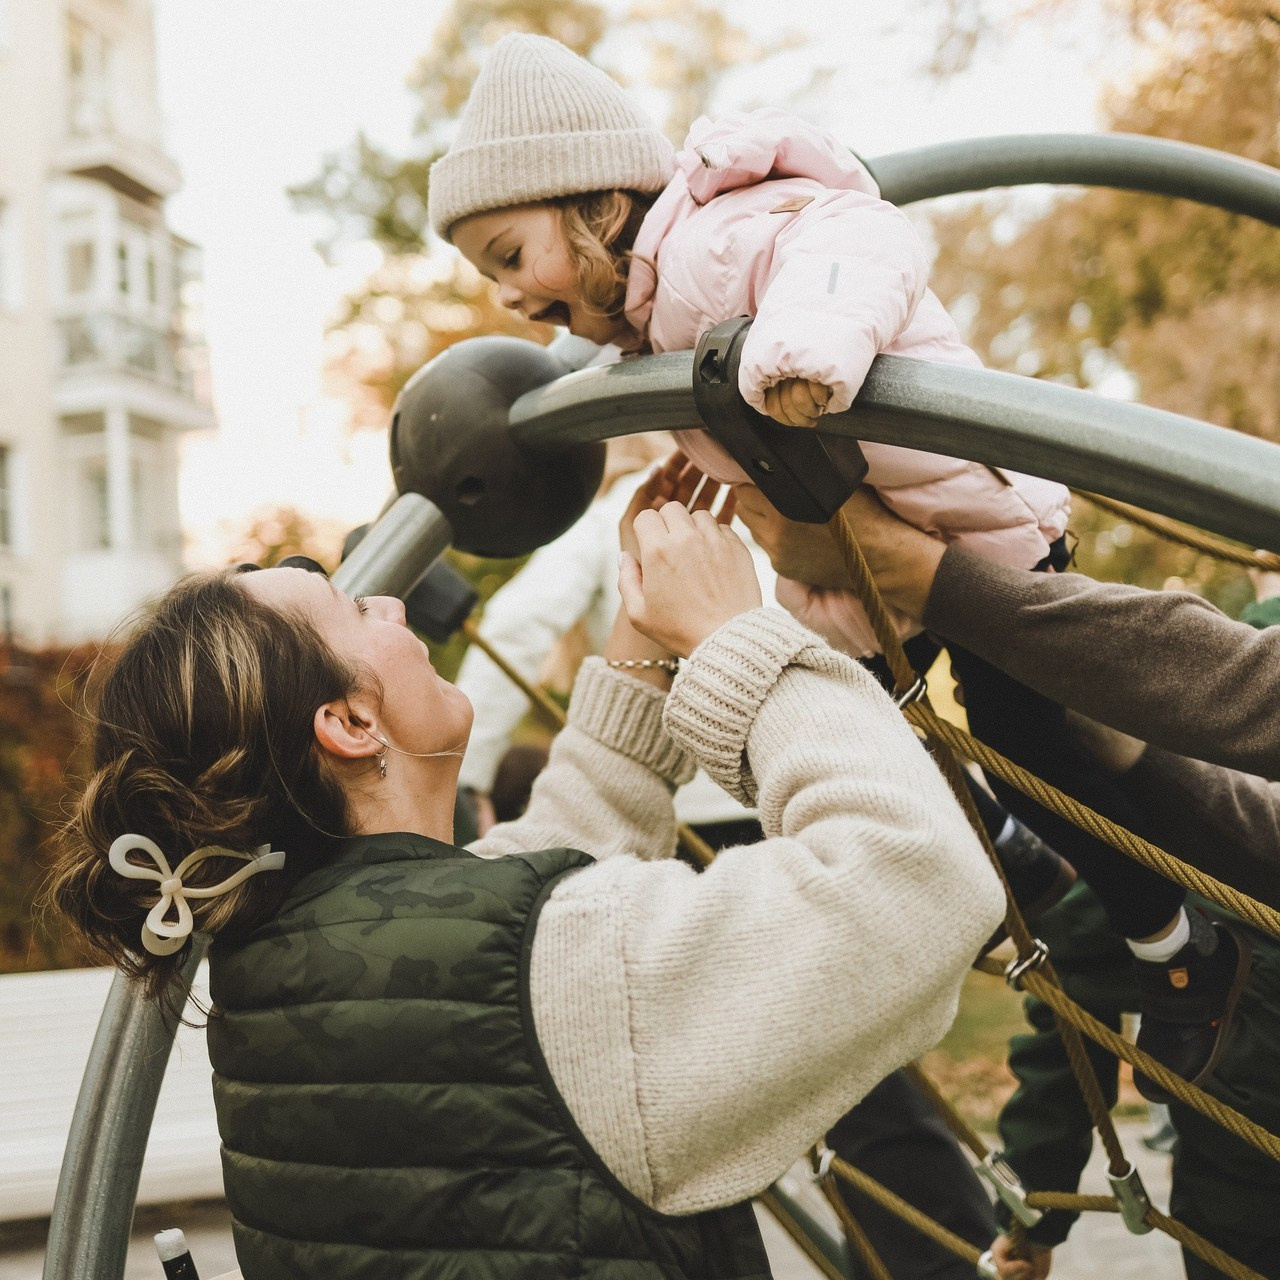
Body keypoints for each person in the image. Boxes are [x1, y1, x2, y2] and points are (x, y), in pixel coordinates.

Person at [425, 33, 1226, 1094]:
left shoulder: (716, 237)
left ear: (596, 209)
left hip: (974, 531)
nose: (506, 299)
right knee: (861, 733)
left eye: (508, 257)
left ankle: (1174, 947)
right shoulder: (645, 322)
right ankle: (1026, 869)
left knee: (1030, 744)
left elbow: (856, 238)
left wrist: (808, 341)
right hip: (871, 567)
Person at [46, 477, 1002, 1276]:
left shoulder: (298, 954)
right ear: (348, 726)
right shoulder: (547, 970)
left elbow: (536, 887)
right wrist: (732, 636)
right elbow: (918, 879)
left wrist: (638, 651)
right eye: (354, 609)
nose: (391, 604)